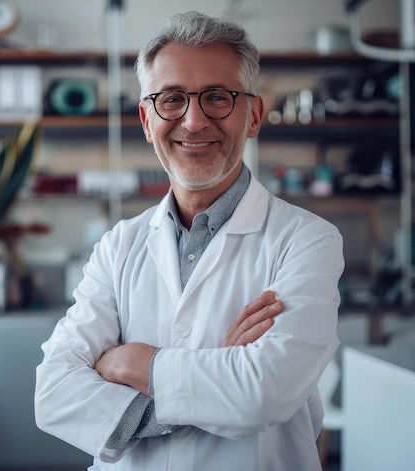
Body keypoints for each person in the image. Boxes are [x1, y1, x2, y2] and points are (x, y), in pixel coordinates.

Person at [35, 10, 344, 471]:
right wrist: (215, 376)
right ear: (145, 119)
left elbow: (260, 394)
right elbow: (54, 395)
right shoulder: (118, 245)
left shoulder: (307, 241)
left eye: (218, 97)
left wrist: (132, 364)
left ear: (253, 115)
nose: (194, 121)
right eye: (172, 99)